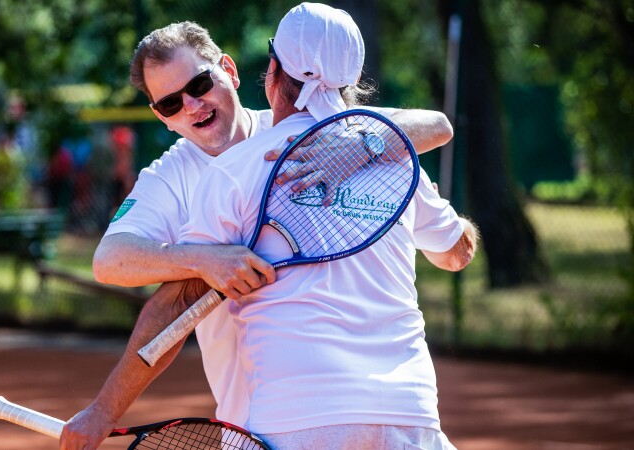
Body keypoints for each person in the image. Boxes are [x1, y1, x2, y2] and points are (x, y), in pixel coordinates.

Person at [59, 13, 461, 450]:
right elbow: (109, 260)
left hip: (283, 421)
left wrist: (359, 148)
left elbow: (435, 126)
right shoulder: (174, 174)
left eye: (198, 86)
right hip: (348, 414)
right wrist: (204, 259)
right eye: (171, 104)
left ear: (235, 72)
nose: (192, 105)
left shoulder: (356, 140)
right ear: (160, 116)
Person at [171, 3, 478, 448]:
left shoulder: (230, 172)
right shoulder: (395, 157)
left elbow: (182, 295)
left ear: (273, 71)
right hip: (408, 413)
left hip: (293, 418)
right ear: (353, 79)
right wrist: (455, 224)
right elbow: (457, 252)